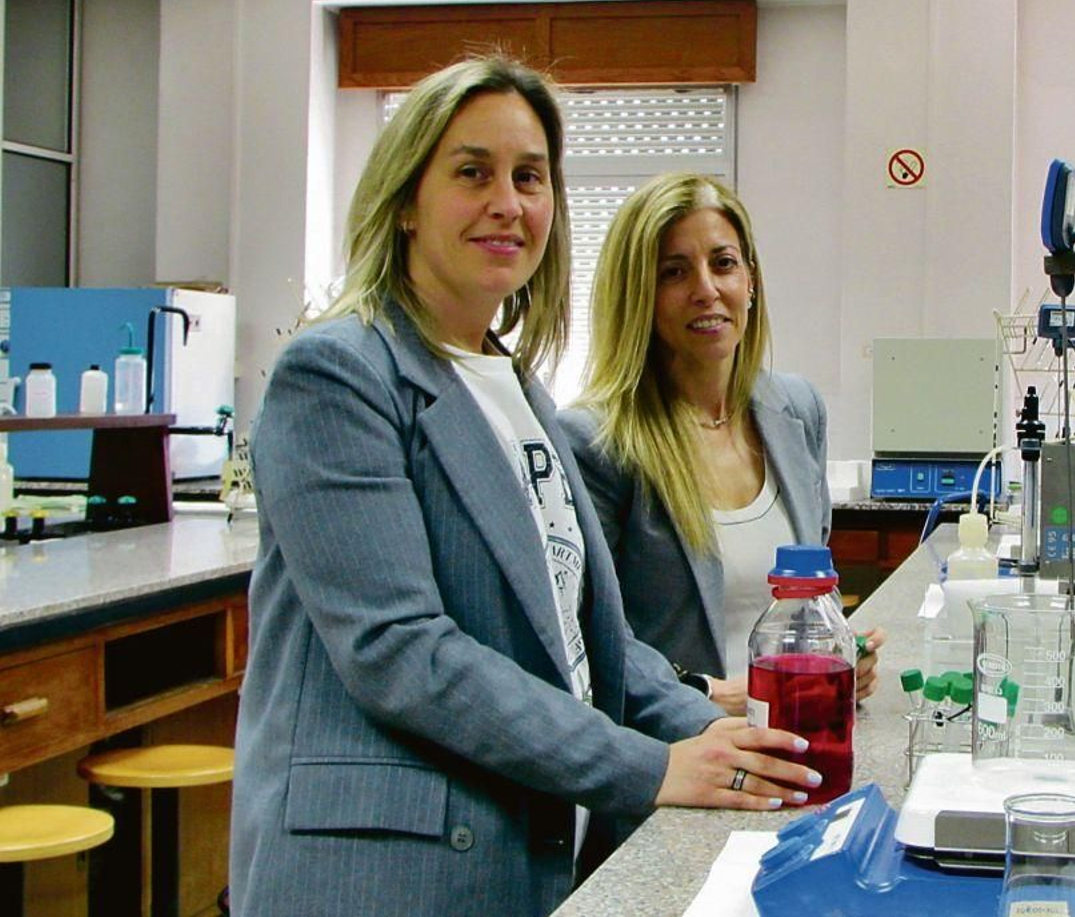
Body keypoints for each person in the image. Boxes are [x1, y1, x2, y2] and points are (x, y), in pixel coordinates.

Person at [231, 57, 817, 917]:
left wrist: (717, 733)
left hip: (522, 847)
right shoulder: (339, 373)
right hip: (385, 874)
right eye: (473, 173)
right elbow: (400, 651)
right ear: (405, 200)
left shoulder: (517, 391)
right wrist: (647, 766)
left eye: (530, 177)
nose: (508, 202)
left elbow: (585, 635)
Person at [559, 173, 882, 717]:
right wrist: (708, 693)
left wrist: (837, 653)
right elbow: (586, 638)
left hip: (802, 731)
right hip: (684, 748)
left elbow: (809, 594)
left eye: (723, 263)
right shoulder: (595, 441)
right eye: (674, 271)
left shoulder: (798, 409)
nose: (706, 289)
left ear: (750, 280)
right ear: (638, 294)